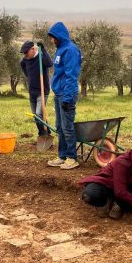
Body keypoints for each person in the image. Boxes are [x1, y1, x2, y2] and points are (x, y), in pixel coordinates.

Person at [46, 22, 82, 170]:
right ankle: (62, 156)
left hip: (67, 94)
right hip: (59, 93)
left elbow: (71, 76)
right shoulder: (61, 49)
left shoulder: (70, 50)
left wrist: (67, 98)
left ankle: (72, 158)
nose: (51, 40)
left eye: (52, 37)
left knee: (67, 128)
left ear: (59, 36)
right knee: (60, 127)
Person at [19, 40, 53, 140]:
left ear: (33, 49)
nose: (25, 55)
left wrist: (44, 50)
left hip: (42, 91)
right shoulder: (25, 60)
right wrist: (28, 77)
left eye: (26, 52)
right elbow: (22, 64)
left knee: (39, 115)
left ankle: (44, 135)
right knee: (36, 116)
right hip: (32, 91)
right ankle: (44, 134)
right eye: (24, 53)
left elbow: (50, 64)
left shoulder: (41, 57)